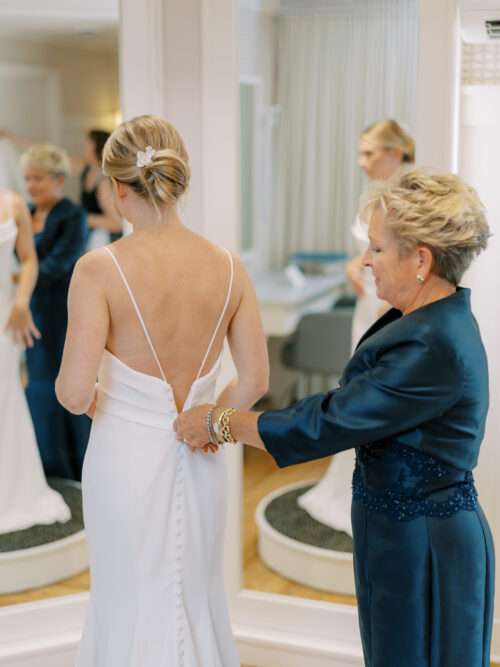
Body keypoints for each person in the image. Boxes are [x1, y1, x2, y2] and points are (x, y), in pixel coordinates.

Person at [175, 170, 494, 667]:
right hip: (400, 534)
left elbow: (328, 422)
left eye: (377, 248)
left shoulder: (433, 342)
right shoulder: (427, 321)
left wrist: (221, 421)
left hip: (426, 547)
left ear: (421, 260)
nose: (366, 260)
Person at [55, 114, 269, 666]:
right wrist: (208, 422)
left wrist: (103, 399)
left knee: (126, 597)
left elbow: (74, 392)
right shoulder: (228, 267)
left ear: (117, 187)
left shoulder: (98, 269)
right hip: (200, 460)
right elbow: (255, 380)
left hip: (122, 459)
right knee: (192, 594)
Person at [298, 119, 416, 536]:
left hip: (389, 303)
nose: (362, 162)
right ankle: (353, 482)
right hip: (367, 303)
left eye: (369, 153)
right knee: (357, 387)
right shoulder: (375, 198)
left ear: (395, 153)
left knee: (382, 388)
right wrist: (355, 263)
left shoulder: (410, 198)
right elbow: (369, 249)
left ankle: (382, 484)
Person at [0, 190, 71, 533]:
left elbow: (29, 259)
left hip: (5, 317)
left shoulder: (13, 204)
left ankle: (13, 491)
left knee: (6, 395)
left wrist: (22, 301)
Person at [22, 144, 90, 481]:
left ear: (59, 179)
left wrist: (17, 279)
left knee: (60, 388)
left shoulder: (72, 215)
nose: (32, 186)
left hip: (60, 312)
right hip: (29, 311)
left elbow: (60, 264)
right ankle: (46, 468)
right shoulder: (25, 212)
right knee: (37, 388)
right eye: (28, 179)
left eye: (38, 179)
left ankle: (75, 470)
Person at [74, 129, 123, 245]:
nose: (83, 146)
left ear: (97, 146)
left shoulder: (103, 181)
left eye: (87, 143)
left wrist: (81, 218)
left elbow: (117, 223)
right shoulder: (87, 169)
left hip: (102, 241)